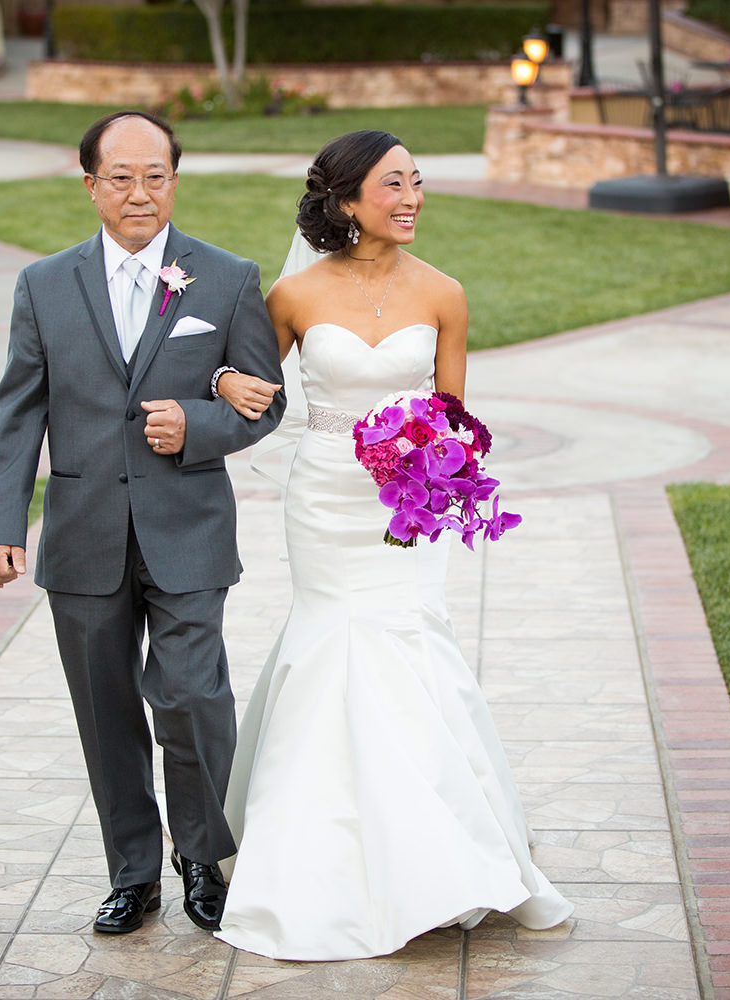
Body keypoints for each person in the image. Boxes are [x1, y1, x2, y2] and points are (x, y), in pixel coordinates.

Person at [210, 130, 574, 961]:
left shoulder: (445, 293)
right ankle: (313, 858)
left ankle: (441, 858)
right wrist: (223, 379)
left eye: (416, 183)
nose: (410, 198)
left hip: (405, 508)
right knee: (331, 644)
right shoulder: (295, 295)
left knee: (409, 647)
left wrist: (438, 465)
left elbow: (453, 416)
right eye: (392, 185)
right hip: (325, 501)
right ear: (344, 202)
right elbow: (253, 391)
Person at [0, 110, 286, 936]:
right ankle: (133, 874)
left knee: (190, 696)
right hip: (81, 536)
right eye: (121, 177)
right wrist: (2, 522)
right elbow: (19, 414)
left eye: (156, 176)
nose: (140, 193)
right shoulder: (43, 286)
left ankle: (202, 854)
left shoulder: (224, 279)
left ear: (175, 181)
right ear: (90, 185)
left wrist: (199, 426)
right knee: (106, 710)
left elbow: (265, 402)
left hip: (186, 529)